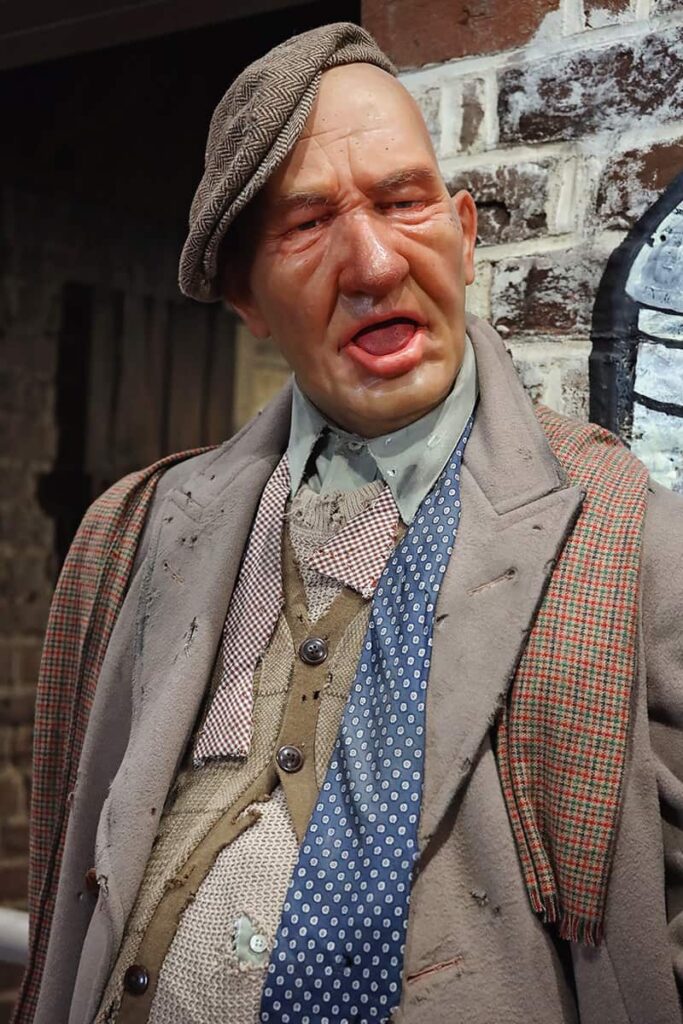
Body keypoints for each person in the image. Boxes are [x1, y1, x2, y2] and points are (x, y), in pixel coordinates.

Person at [14, 21, 683, 1024]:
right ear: (246, 297)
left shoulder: (622, 537)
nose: (371, 262)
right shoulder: (133, 535)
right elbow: (71, 873)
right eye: (306, 223)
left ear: (461, 231)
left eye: (402, 201)